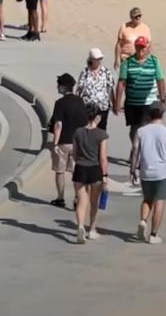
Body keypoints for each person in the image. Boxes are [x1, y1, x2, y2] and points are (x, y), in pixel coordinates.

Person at [115, 37, 166, 181]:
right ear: (135, 47)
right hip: (132, 103)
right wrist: (117, 102)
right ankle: (135, 148)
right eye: (138, 47)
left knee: (143, 129)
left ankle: (140, 154)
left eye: (143, 47)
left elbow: (160, 80)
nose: (141, 50)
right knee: (133, 130)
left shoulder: (154, 62)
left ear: (147, 48)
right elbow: (121, 83)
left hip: (148, 102)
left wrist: (163, 99)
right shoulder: (128, 63)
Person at [133, 107, 166, 244]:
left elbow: (135, 151)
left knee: (147, 199)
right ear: (162, 115)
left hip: (146, 172)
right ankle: (153, 234)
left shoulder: (141, 131)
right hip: (162, 173)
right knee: (160, 201)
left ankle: (143, 221)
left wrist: (133, 170)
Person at [49, 73, 89, 209]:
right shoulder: (80, 101)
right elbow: (85, 123)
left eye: (58, 85)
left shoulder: (60, 103)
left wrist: (55, 142)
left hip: (63, 142)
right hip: (77, 142)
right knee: (75, 172)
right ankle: (78, 198)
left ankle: (60, 198)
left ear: (62, 87)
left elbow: (58, 124)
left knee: (60, 171)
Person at [71, 104, 109, 244]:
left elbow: (74, 154)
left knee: (81, 201)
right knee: (94, 202)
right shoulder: (101, 134)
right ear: (97, 117)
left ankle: (80, 226)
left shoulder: (78, 132)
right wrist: (105, 175)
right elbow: (103, 158)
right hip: (95, 169)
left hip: (80, 168)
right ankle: (92, 229)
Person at [75, 48, 113, 131]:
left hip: (102, 107)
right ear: (91, 59)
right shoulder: (85, 72)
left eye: (100, 59)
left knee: (101, 131)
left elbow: (110, 89)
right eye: (97, 59)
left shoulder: (106, 72)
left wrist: (113, 104)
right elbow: (79, 89)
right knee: (86, 130)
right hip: (87, 107)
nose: (99, 61)